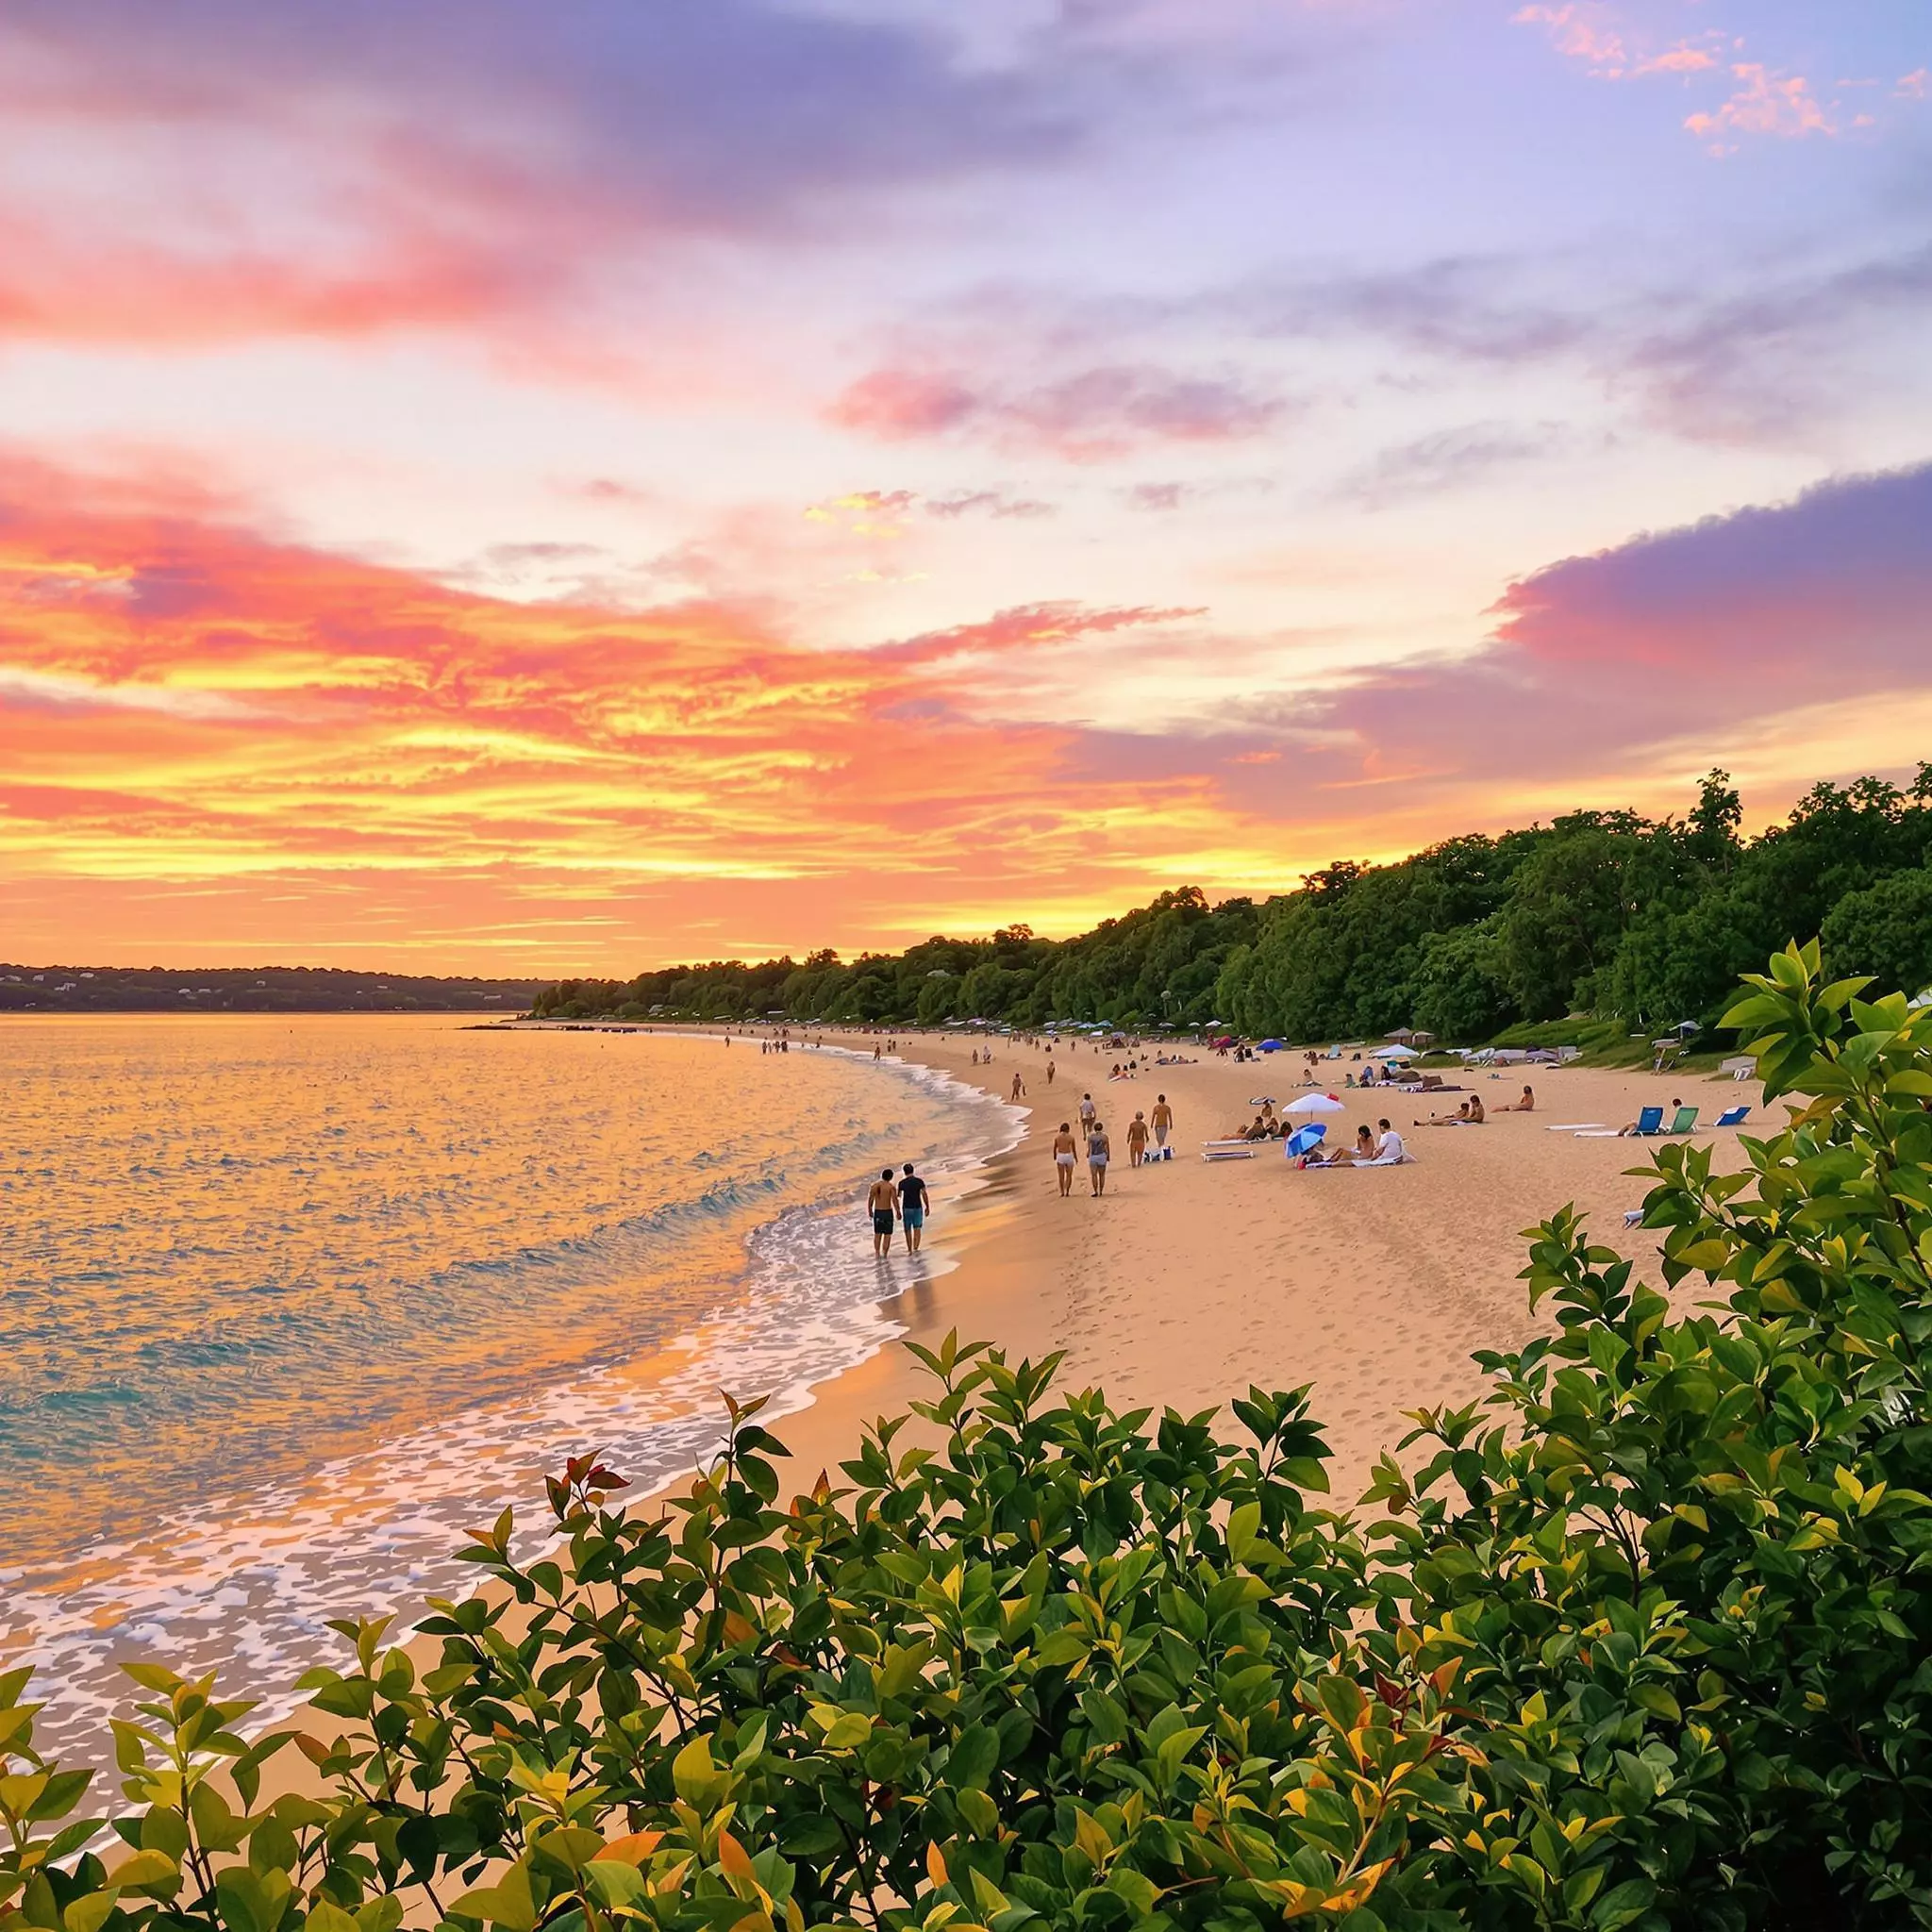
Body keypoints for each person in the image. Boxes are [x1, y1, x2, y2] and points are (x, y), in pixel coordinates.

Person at [897, 1162, 929, 1255]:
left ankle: (909, 1250)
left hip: (906, 1208)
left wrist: (898, 1210)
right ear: (913, 1170)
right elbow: (924, 1194)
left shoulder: (901, 1183)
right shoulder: (919, 1182)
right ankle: (916, 1248)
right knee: (917, 1228)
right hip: (917, 1207)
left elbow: (898, 1196)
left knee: (907, 1229)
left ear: (904, 1172)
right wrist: (927, 1206)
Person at [866, 1169, 897, 1257]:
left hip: (878, 1212)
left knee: (877, 1234)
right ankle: (885, 1254)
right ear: (890, 1177)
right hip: (887, 1212)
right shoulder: (891, 1187)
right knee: (887, 1234)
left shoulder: (874, 1186)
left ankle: (877, 1253)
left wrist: (869, 1210)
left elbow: (870, 1200)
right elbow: (894, 1201)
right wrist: (898, 1211)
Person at [1052, 1121, 1079, 1196]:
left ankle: (1062, 1192)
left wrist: (1055, 1156)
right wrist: (1076, 1158)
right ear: (1068, 1129)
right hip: (1069, 1156)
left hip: (1060, 1156)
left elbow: (1055, 1148)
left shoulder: (1057, 1137)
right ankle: (1067, 1191)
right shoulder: (1071, 1137)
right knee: (1069, 1175)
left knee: (1061, 1176)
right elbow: (1073, 1149)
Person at [1087, 1117, 1111, 1196]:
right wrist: (1108, 1156)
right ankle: (1101, 1191)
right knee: (1102, 1175)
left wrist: (1088, 1154)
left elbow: (1089, 1148)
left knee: (1094, 1175)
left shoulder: (1090, 1137)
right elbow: (1107, 1148)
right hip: (1102, 1156)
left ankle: (1095, 1191)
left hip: (1093, 1156)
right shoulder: (1105, 1137)